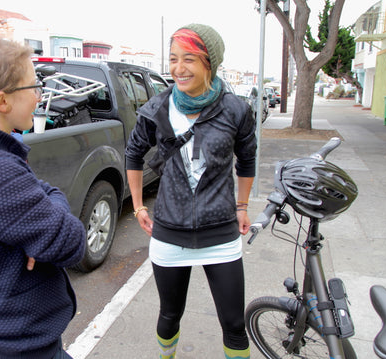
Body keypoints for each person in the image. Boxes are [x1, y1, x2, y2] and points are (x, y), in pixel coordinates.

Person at [0, 38, 86, 359]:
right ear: (3, 101)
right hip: (21, 347)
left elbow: (46, 191)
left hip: (4, 337)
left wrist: (39, 227)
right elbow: (71, 242)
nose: (39, 97)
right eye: (33, 87)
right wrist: (47, 223)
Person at [125, 24, 256, 359]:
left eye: (189, 59)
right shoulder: (157, 108)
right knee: (169, 316)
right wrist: (139, 206)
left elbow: (247, 158)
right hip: (170, 233)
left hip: (221, 232)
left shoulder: (235, 110)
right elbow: (134, 153)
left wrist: (242, 205)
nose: (178, 68)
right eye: (173, 59)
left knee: (234, 324)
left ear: (210, 63)